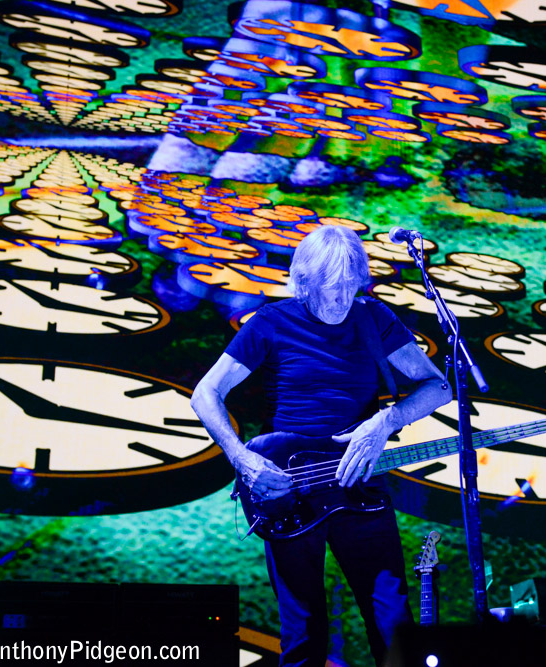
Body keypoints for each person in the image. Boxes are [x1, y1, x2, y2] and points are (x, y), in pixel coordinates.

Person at [191, 225, 452, 667]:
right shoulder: (271, 322)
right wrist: (243, 459)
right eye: (332, 287)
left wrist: (386, 421)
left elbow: (438, 387)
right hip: (292, 487)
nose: (343, 298)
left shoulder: (373, 318)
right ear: (304, 282)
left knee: (394, 625)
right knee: (304, 635)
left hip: (361, 486)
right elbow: (206, 393)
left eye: (352, 285)